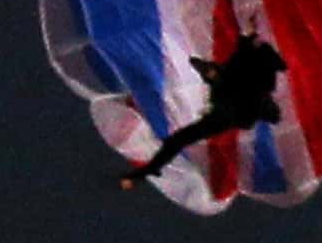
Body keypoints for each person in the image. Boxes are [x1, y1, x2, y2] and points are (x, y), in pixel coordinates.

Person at [118, 29, 288, 192]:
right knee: (177, 140)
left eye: (211, 71)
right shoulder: (225, 90)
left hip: (243, 107)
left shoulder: (237, 71)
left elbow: (244, 55)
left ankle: (147, 171)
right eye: (208, 74)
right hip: (232, 113)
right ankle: (148, 170)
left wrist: (249, 37)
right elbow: (243, 53)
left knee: (181, 138)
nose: (211, 74)